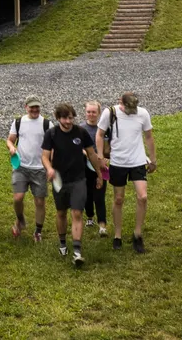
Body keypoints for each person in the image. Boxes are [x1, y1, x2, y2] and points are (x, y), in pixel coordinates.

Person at [42, 102, 106, 267]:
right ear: (58, 118)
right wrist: (49, 168)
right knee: (61, 212)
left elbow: (91, 154)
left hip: (79, 179)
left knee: (77, 213)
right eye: (64, 118)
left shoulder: (81, 132)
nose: (68, 121)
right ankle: (63, 242)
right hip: (60, 180)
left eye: (71, 118)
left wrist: (99, 174)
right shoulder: (52, 134)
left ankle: (77, 251)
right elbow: (44, 156)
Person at [96, 91, 156, 254]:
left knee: (143, 197)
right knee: (118, 199)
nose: (132, 111)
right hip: (118, 162)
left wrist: (153, 159)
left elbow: (149, 136)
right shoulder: (110, 112)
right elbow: (100, 134)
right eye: (128, 108)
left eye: (134, 108)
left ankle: (137, 234)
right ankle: (117, 235)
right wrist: (100, 156)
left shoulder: (142, 113)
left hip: (137, 161)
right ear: (120, 102)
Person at [7, 95, 52, 242]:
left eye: (37, 107)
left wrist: (50, 166)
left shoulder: (47, 124)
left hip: (39, 168)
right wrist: (12, 147)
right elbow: (10, 140)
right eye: (31, 107)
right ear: (26, 107)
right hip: (21, 166)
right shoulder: (18, 122)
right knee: (18, 198)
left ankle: (38, 231)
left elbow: (53, 146)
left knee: (39, 202)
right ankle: (20, 220)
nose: (34, 109)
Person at [82, 100, 109, 237]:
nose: (91, 114)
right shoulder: (80, 129)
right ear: (85, 113)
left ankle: (102, 225)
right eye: (89, 112)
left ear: (99, 113)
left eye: (94, 112)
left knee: (100, 197)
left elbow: (109, 147)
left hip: (101, 166)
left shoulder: (104, 129)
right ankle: (90, 217)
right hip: (85, 168)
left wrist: (105, 158)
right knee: (87, 196)